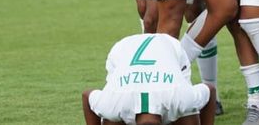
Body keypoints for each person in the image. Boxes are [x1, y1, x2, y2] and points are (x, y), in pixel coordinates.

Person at [82, 33, 217, 125]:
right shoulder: (113, 103)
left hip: (169, 47)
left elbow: (210, 91)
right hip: (123, 50)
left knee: (188, 115)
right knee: (111, 119)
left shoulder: (181, 98)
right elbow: (86, 96)